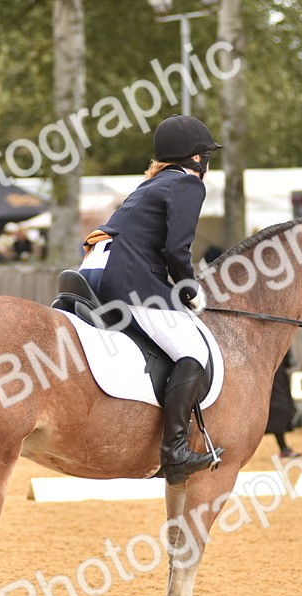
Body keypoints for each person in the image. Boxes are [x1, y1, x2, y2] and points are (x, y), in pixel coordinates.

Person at [83, 114, 224, 485]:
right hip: (128, 278)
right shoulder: (188, 184)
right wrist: (189, 288)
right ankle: (175, 451)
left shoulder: (151, 183)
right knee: (192, 351)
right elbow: (177, 250)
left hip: (93, 268)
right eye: (206, 156)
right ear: (197, 158)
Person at [266, 351, 301, 459]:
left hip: (277, 367)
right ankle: (283, 448)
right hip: (266, 366)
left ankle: (284, 448)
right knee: (278, 406)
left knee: (280, 406)